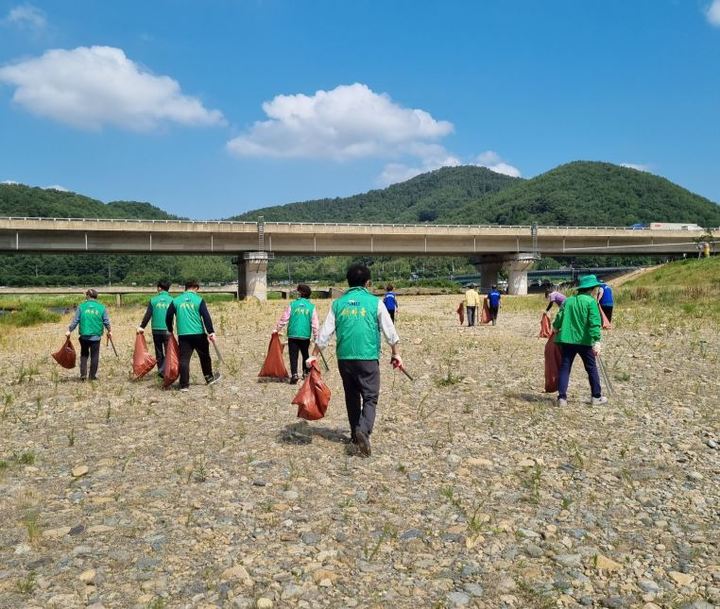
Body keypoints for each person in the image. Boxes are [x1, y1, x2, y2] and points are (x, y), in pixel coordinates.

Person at [310, 263, 401, 457]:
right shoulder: (374, 302)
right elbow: (389, 330)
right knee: (370, 396)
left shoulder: (338, 303)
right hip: (367, 357)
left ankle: (354, 433)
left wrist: (314, 355)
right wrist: (396, 353)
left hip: (345, 358)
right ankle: (363, 429)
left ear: (348, 282)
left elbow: (325, 332)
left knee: (352, 396)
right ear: (368, 283)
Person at [552, 274, 607, 407]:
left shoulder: (569, 301)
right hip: (585, 341)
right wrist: (597, 341)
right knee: (591, 368)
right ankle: (596, 397)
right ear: (591, 289)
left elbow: (559, 317)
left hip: (567, 340)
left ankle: (562, 398)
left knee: (565, 368)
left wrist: (555, 327)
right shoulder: (591, 302)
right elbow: (594, 323)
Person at [165, 279, 220, 392]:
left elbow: (168, 316)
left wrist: (170, 329)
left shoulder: (176, 301)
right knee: (204, 357)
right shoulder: (199, 300)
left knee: (184, 359)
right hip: (199, 334)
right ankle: (209, 379)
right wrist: (211, 332)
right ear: (196, 288)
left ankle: (184, 385)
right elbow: (206, 317)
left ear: (186, 287)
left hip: (184, 335)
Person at [275, 284, 319, 384]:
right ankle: (305, 373)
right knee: (305, 354)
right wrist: (317, 337)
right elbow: (315, 323)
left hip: (293, 334)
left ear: (301, 293)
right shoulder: (311, 307)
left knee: (293, 355)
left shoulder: (292, 304)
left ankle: (294, 374)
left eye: (298, 291)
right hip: (305, 335)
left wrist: (277, 329)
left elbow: (284, 319)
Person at [66, 289, 111, 381]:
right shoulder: (101, 307)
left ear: (88, 296)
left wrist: (69, 330)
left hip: (84, 336)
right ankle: (92, 376)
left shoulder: (81, 307)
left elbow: (75, 321)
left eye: (86, 295)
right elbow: (106, 321)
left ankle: (83, 375)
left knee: (84, 354)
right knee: (94, 356)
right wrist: (109, 330)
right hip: (96, 336)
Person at [137, 280, 173, 377]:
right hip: (167, 330)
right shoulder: (172, 300)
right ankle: (166, 371)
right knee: (168, 350)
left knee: (159, 351)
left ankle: (161, 371)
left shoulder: (153, 300)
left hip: (156, 330)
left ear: (159, 288)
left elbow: (148, 315)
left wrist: (142, 327)